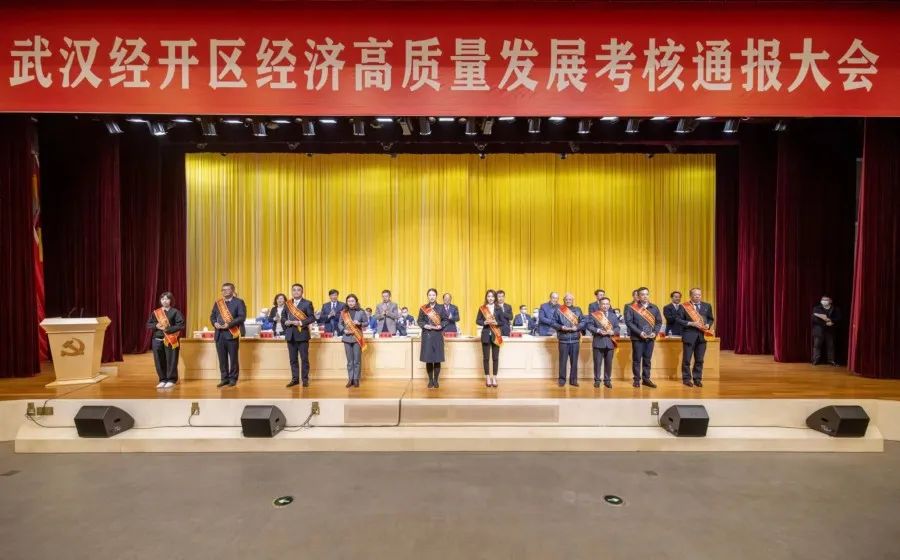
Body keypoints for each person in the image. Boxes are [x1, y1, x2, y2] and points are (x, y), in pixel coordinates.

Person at [624, 287, 662, 388]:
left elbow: (659, 322)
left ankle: (646, 379)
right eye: (642, 294)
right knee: (637, 360)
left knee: (647, 359)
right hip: (637, 338)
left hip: (650, 338)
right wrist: (639, 332)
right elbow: (629, 322)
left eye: (646, 294)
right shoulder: (632, 307)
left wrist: (655, 332)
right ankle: (636, 380)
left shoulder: (654, 307)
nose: (645, 296)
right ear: (638, 296)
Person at [209, 282, 246, 387]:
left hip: (231, 334)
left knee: (233, 358)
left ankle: (233, 379)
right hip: (219, 334)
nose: (224, 291)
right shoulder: (218, 303)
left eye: (227, 289)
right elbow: (212, 316)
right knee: (222, 359)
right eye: (223, 290)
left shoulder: (239, 302)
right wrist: (214, 323)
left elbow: (242, 317)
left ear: (232, 290)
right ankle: (224, 378)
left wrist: (229, 325)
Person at [676, 288, 715, 387]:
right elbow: (678, 320)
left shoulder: (707, 306)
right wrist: (691, 323)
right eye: (695, 295)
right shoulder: (683, 306)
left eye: (699, 295)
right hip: (689, 336)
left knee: (699, 360)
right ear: (690, 296)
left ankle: (697, 379)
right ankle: (686, 379)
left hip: (702, 336)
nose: (698, 296)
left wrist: (708, 325)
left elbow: (710, 319)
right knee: (687, 360)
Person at [147, 291, 185, 388]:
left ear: (171, 300)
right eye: (163, 299)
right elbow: (149, 324)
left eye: (167, 299)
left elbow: (181, 325)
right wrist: (156, 325)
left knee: (171, 360)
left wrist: (168, 329)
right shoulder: (156, 312)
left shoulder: (175, 312)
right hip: (157, 340)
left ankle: (171, 379)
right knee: (159, 361)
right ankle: (162, 379)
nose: (164, 301)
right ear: (160, 300)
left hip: (170, 339)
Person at [282, 283, 316, 387]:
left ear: (302, 292)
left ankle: (305, 380)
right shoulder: (288, 303)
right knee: (293, 359)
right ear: (291, 291)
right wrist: (285, 321)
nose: (296, 292)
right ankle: (295, 379)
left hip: (302, 335)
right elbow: (283, 316)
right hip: (290, 335)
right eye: (294, 290)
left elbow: (312, 318)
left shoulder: (307, 303)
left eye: (298, 290)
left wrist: (300, 323)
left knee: (304, 359)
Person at [552, 293, 585, 387]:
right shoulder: (559, 310)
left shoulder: (578, 310)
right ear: (564, 300)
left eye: (570, 299)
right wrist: (561, 327)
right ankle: (562, 380)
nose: (568, 301)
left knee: (574, 362)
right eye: (566, 299)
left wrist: (577, 327)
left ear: (572, 300)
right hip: (563, 339)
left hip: (575, 339)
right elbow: (553, 322)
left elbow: (583, 321)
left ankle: (573, 380)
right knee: (562, 361)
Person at [417, 288, 448, 388]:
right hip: (427, 335)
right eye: (430, 295)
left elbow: (445, 320)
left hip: (437, 335)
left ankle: (436, 380)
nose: (432, 297)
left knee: (437, 358)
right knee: (429, 359)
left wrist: (441, 325)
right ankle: (430, 380)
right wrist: (425, 325)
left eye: (433, 295)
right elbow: (419, 321)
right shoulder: (423, 308)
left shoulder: (441, 307)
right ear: (427, 296)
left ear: (436, 296)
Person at [586, 296, 619, 388]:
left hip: (610, 342)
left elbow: (617, 327)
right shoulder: (594, 315)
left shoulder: (613, 315)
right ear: (599, 305)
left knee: (609, 363)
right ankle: (597, 380)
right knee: (597, 363)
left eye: (607, 304)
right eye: (603, 304)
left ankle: (607, 380)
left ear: (609, 305)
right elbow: (589, 326)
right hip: (598, 342)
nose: (605, 306)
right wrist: (598, 330)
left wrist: (613, 331)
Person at [475, 289, 506, 387]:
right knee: (486, 358)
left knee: (495, 358)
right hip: (485, 335)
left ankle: (494, 378)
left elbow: (503, 322)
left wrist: (496, 323)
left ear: (495, 298)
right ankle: (488, 377)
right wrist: (484, 322)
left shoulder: (498, 308)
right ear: (486, 297)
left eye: (492, 296)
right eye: (488, 296)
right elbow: (477, 320)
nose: (490, 298)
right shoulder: (482, 308)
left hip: (496, 335)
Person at [339, 294, 368, 388]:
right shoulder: (343, 312)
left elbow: (366, 323)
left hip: (357, 338)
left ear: (356, 302)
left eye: (352, 301)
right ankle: (350, 379)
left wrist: (359, 323)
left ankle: (356, 379)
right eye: (349, 301)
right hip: (347, 338)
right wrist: (344, 330)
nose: (351, 303)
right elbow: (340, 324)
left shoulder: (361, 311)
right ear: (346, 302)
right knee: (349, 361)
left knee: (357, 360)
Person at [812, 295, 841, 366]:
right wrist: (825, 323)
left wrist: (832, 321)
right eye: (823, 299)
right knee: (817, 346)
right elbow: (814, 319)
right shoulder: (817, 308)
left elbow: (838, 318)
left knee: (831, 346)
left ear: (830, 301)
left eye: (826, 299)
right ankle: (816, 360)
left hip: (830, 330)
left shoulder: (836, 309)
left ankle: (831, 360)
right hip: (819, 330)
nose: (824, 301)